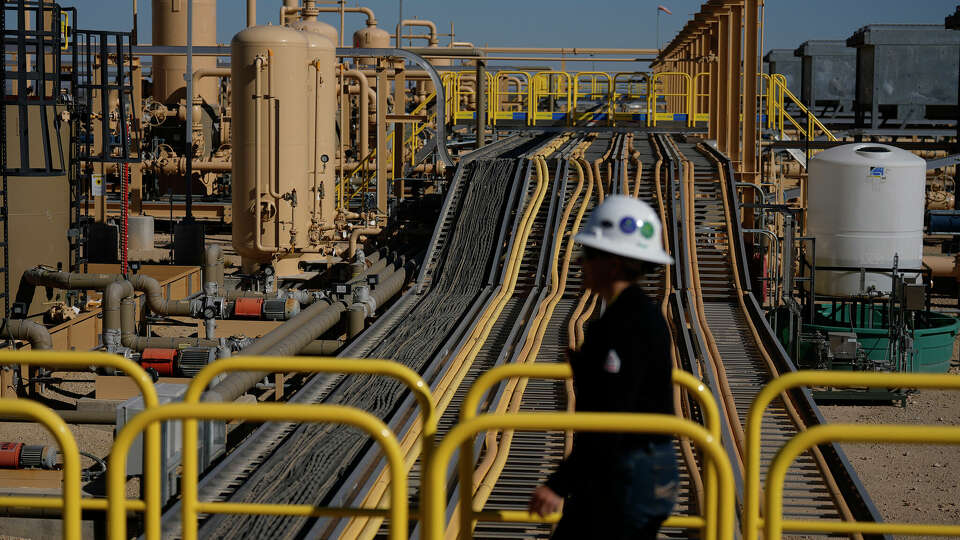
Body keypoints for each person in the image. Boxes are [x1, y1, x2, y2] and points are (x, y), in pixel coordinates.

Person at [528, 195, 679, 540]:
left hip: (627, 471)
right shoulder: (639, 314)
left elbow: (612, 415)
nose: (581, 263)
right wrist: (589, 371)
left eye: (589, 255)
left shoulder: (623, 323)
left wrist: (559, 484)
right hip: (647, 467)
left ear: (612, 263)